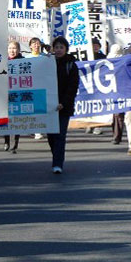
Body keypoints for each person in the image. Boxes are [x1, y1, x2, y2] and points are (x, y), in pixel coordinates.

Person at [48, 36, 80, 174]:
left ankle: (57, 163)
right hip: (49, 106)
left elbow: (73, 87)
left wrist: (63, 103)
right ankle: (56, 156)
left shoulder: (71, 65)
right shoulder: (48, 63)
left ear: (66, 49)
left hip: (64, 106)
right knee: (51, 136)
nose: (59, 50)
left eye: (61, 47)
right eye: (56, 47)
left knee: (60, 135)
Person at [4, 41, 24, 153]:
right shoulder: (2, 61)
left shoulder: (24, 61)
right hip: (5, 94)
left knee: (17, 119)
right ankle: (6, 141)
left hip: (18, 94)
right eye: (10, 48)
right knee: (6, 119)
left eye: (14, 48)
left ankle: (15, 142)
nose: (12, 50)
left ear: (19, 50)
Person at [107, 44, 127, 145]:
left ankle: (117, 136)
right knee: (115, 114)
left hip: (122, 91)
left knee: (119, 114)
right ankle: (115, 135)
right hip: (111, 90)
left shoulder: (125, 64)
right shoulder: (107, 64)